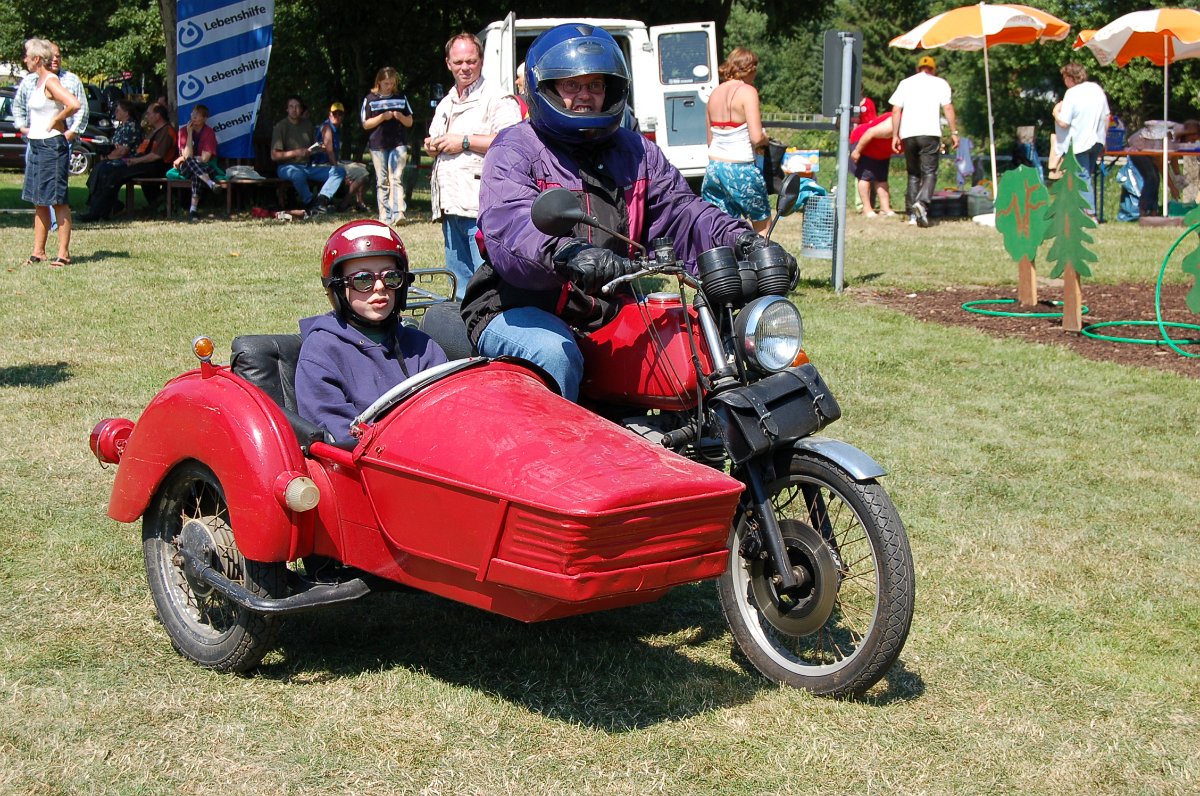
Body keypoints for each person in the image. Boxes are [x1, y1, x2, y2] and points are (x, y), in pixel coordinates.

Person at [463, 23, 795, 402]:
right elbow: (512, 224)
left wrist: (743, 241)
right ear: (547, 89)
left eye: (596, 85)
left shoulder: (635, 151)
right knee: (555, 354)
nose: (585, 96)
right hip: (518, 306)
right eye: (572, 85)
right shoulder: (515, 148)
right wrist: (567, 253)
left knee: (688, 346)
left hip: (602, 307)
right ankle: (563, 459)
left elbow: (683, 213)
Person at [295, 220, 448, 444]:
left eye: (391, 277)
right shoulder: (321, 353)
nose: (379, 287)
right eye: (363, 279)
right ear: (337, 288)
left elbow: (451, 413)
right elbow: (336, 435)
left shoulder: (422, 347)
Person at [424, 33, 522, 300]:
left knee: (485, 280)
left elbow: (511, 141)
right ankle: (460, 329)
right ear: (448, 63)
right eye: (458, 62)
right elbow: (435, 138)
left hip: (480, 206)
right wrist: (431, 146)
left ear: (481, 61)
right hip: (450, 204)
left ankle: (489, 325)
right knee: (459, 282)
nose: (465, 67)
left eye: (471, 61)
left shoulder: (498, 98)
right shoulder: (446, 102)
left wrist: (464, 141)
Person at [13, 40, 88, 235]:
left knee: (56, 200)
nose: (25, 60)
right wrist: (24, 128)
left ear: (36, 59)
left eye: (27, 56)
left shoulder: (51, 81)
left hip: (51, 145)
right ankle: (38, 252)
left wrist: (57, 119)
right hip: (36, 144)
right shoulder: (34, 80)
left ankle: (63, 254)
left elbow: (74, 104)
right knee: (39, 200)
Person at [701, 47, 770, 234]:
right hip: (740, 169)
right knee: (762, 224)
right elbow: (756, 137)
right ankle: (761, 262)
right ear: (750, 68)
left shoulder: (714, 93)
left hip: (714, 168)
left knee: (723, 228)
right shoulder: (748, 92)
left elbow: (710, 140)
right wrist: (766, 138)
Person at [889, 55, 958, 228]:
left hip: (908, 134)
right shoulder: (940, 83)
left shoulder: (906, 83)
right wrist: (954, 132)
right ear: (933, 69)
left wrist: (895, 134)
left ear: (917, 69)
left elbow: (896, 109)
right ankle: (922, 201)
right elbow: (948, 107)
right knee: (929, 172)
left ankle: (912, 216)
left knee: (913, 173)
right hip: (929, 132)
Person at [77, 102, 176, 221]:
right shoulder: (154, 131)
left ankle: (97, 213)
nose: (146, 116)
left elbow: (156, 156)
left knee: (115, 174)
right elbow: (143, 150)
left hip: (155, 167)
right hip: (143, 163)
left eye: (149, 114)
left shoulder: (166, 131)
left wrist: (135, 161)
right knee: (108, 171)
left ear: (158, 116)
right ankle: (101, 210)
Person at [271, 95, 345, 216]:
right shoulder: (281, 127)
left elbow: (312, 146)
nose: (294, 109)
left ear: (301, 109)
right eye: (291, 106)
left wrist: (319, 149)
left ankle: (321, 200)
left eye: (297, 106)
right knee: (297, 174)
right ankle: (310, 202)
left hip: (307, 166)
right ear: (287, 109)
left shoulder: (307, 125)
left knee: (339, 171)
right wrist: (296, 152)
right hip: (287, 167)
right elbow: (274, 156)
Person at [1052, 63, 1109, 214]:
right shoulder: (1096, 89)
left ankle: (1089, 214)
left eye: (1065, 77)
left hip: (1079, 142)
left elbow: (1064, 122)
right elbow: (1107, 116)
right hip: (1097, 140)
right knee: (1086, 176)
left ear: (1070, 78)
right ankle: (1080, 211)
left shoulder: (1072, 93)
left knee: (1082, 177)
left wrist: (1055, 112)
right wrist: (1104, 139)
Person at [361, 69, 413, 225]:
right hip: (378, 145)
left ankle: (399, 213)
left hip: (399, 144)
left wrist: (400, 117)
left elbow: (410, 121)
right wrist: (382, 117)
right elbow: (365, 124)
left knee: (396, 177)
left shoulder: (401, 98)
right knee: (382, 180)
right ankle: (384, 215)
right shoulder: (370, 99)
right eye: (386, 83)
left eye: (392, 83)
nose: (389, 86)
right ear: (379, 82)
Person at [313, 102, 370, 213]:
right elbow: (330, 152)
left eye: (340, 114)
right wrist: (338, 170)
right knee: (363, 174)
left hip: (333, 162)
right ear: (330, 114)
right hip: (323, 164)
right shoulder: (327, 128)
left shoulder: (336, 129)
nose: (337, 117)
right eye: (335, 114)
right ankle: (345, 203)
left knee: (364, 167)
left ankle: (357, 202)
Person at [173, 104, 223, 222]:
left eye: (197, 115)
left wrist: (188, 158)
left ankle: (193, 210)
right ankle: (210, 183)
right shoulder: (183, 131)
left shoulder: (209, 132)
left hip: (205, 167)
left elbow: (205, 159)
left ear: (204, 118)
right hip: (187, 168)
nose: (193, 117)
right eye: (193, 114)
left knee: (196, 171)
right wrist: (189, 134)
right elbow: (186, 156)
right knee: (190, 162)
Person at [849, 98, 895, 217]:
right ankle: (867, 209)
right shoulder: (891, 124)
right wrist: (857, 151)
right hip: (863, 142)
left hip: (882, 150)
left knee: (881, 178)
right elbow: (870, 132)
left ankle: (885, 209)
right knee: (865, 177)